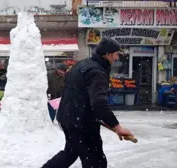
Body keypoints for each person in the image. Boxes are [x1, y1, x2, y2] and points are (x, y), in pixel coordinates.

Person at [42, 37, 134, 168]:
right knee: (96, 161)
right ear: (107, 54)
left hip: (68, 118)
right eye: (116, 54)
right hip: (82, 123)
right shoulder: (97, 72)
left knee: (71, 153)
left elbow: (75, 91)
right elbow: (99, 104)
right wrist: (117, 126)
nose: (117, 58)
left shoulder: (82, 64)